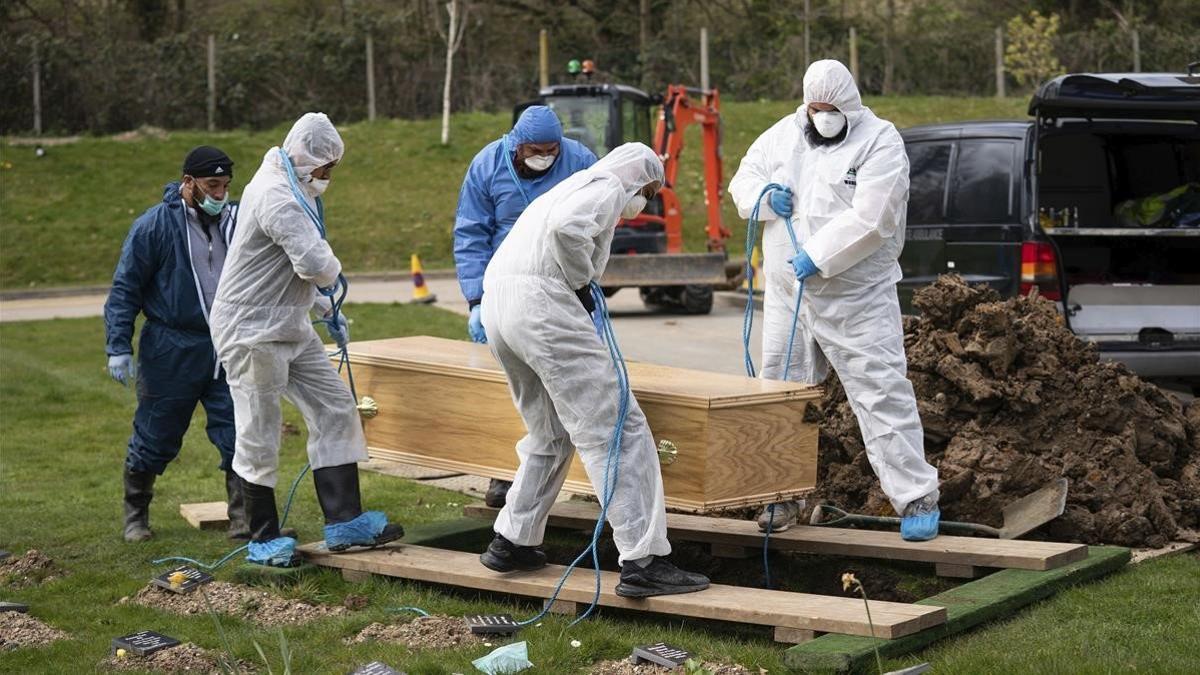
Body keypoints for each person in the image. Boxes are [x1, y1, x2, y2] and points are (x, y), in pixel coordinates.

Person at [478, 143, 710, 598]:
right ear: (637, 178)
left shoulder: (564, 188)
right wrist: (580, 281)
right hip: (543, 306)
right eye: (647, 191)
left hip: (500, 306)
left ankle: (513, 540)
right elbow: (569, 232)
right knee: (618, 430)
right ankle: (644, 560)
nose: (641, 202)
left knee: (549, 434)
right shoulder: (607, 184)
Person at [728, 60, 941, 541]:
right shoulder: (782, 135)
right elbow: (743, 183)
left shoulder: (880, 141)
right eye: (815, 108)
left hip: (856, 297)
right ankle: (780, 496)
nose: (822, 117)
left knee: (880, 392)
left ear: (850, 106)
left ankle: (916, 497)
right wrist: (765, 196)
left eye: (831, 109)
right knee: (781, 393)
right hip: (788, 295)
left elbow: (875, 218)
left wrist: (818, 256)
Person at [209, 113, 403, 567]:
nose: (327, 178)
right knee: (259, 428)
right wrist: (331, 284)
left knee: (335, 407)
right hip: (251, 330)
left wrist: (323, 309)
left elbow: (285, 271)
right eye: (325, 168)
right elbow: (316, 263)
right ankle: (261, 535)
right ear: (304, 158)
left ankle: (345, 520)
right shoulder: (275, 194)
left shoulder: (294, 187)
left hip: (288, 321)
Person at [454, 105, 597, 509]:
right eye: (536, 150)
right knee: (515, 391)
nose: (546, 157)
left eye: (552, 149)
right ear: (517, 145)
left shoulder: (580, 161)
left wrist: (586, 280)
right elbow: (471, 232)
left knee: (581, 381)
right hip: (505, 291)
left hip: (564, 287)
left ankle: (590, 472)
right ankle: (505, 473)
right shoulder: (487, 165)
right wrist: (476, 299)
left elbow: (597, 224)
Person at [104, 146, 246, 543]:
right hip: (170, 347)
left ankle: (242, 518)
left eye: (225, 186)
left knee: (239, 430)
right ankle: (136, 515)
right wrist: (118, 344)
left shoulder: (234, 223)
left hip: (225, 345)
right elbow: (126, 288)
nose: (220, 194)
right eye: (212, 185)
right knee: (156, 432)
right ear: (188, 183)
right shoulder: (154, 226)